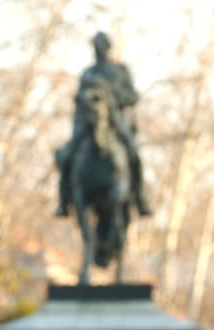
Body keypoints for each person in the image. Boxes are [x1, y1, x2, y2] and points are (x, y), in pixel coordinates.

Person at [55, 31, 153, 218]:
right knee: (66, 156)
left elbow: (132, 97)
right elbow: (78, 99)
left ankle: (140, 198)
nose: (97, 50)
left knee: (133, 153)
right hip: (88, 122)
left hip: (114, 121)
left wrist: (110, 93)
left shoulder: (119, 70)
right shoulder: (88, 72)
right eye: (95, 47)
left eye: (100, 47)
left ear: (107, 48)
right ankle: (63, 202)